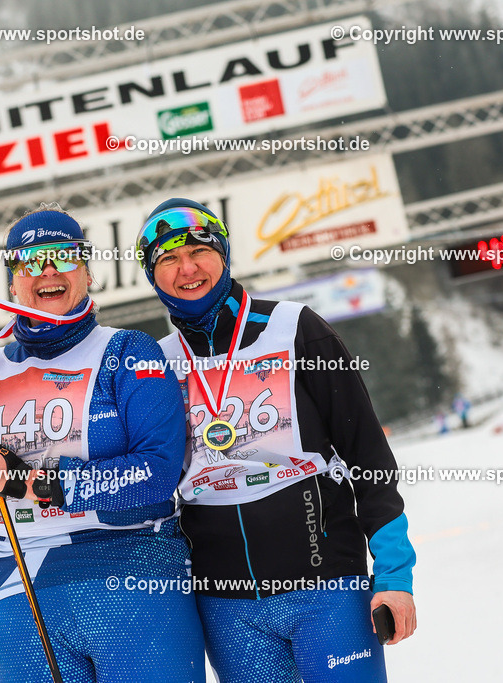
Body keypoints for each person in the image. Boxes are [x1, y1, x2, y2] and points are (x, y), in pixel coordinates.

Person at [0, 207, 205, 683]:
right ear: (13, 283)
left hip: (133, 566)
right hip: (20, 581)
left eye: (62, 257)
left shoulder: (129, 351)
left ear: (87, 272)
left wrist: (39, 482)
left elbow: (158, 475)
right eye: (31, 262)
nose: (48, 271)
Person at [136, 198, 417, 682]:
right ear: (153, 276)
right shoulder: (155, 365)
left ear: (223, 254)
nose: (188, 268)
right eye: (168, 259)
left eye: (199, 251)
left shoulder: (295, 329)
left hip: (328, 585)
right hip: (227, 606)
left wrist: (394, 574)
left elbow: (368, 456)